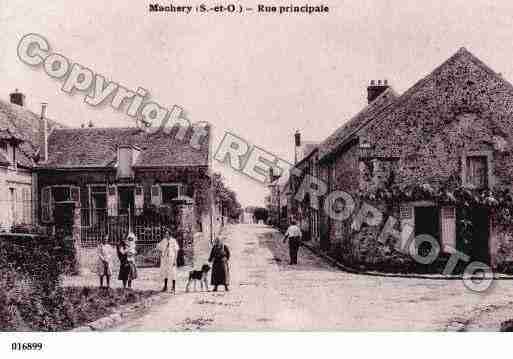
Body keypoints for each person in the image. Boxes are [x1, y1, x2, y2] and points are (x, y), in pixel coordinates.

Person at [157, 229, 180, 294]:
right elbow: (159, 247)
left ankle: (173, 287)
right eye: (165, 234)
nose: (166, 235)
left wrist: (175, 260)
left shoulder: (173, 241)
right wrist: (161, 253)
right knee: (165, 272)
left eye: (167, 234)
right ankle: (165, 286)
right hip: (165, 259)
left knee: (173, 272)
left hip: (171, 258)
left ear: (170, 234)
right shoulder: (164, 241)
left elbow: (176, 251)